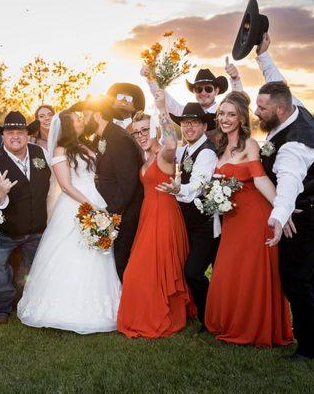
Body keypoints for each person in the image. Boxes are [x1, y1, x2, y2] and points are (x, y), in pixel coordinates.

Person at [17, 109, 121, 334]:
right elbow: (65, 185)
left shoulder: (87, 145)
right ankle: (63, 307)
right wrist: (90, 207)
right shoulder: (60, 150)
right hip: (76, 205)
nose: (81, 121)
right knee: (73, 252)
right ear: (66, 125)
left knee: (97, 253)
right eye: (76, 120)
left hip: (96, 198)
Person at [204, 91, 293, 347]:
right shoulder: (221, 149)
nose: (225, 118)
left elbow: (261, 179)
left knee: (250, 272)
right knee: (230, 270)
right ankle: (231, 320)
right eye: (222, 113)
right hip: (232, 220)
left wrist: (281, 209)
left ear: (242, 119)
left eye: (231, 114)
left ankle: (253, 325)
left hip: (254, 217)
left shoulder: (250, 145)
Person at [256, 81, 314, 360]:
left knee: (294, 277)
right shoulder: (294, 106)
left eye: (262, 108)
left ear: (279, 108)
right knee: (308, 271)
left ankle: (312, 346)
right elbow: (276, 77)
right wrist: (263, 55)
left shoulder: (294, 145)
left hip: (309, 210)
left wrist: (278, 217)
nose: (256, 113)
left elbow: (288, 182)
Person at [117, 111, 194, 338]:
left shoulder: (163, 154)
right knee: (143, 269)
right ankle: (145, 311)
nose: (141, 135)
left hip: (164, 216)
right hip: (149, 215)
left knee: (146, 269)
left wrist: (161, 109)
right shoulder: (147, 157)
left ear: (155, 130)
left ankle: (160, 314)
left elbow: (172, 141)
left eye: (145, 130)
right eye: (136, 132)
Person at [0, 111, 51, 324]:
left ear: (28, 134)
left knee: (34, 268)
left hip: (37, 229)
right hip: (4, 232)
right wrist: (1, 194)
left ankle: (27, 301)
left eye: (20, 131)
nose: (16, 136)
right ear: (3, 136)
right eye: (10, 132)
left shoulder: (40, 153)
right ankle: (1, 308)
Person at [156, 103, 219, 329]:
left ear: (204, 126)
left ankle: (210, 315)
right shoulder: (183, 151)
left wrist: (176, 189)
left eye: (194, 122)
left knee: (193, 272)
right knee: (184, 270)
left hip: (205, 225)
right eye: (184, 123)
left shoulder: (208, 153)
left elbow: (196, 187)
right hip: (185, 223)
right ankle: (199, 312)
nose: (188, 127)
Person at [72, 95, 144, 281]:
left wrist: (110, 213)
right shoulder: (104, 137)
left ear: (97, 115)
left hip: (125, 215)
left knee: (122, 261)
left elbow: (128, 183)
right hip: (114, 211)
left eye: (86, 115)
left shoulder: (119, 139)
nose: (83, 119)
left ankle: (128, 303)